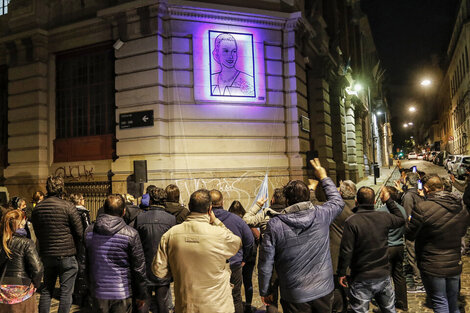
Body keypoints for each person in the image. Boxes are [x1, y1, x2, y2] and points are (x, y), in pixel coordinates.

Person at [258, 159, 345, 313]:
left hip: (294, 294)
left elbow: (266, 263)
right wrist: (323, 177)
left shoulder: (275, 225)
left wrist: (266, 290)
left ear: (286, 199)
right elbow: (337, 201)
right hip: (324, 290)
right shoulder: (321, 214)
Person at [153, 189, 242, 312]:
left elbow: (159, 271)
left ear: (189, 207)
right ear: (210, 209)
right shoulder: (219, 234)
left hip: (186, 306)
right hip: (217, 307)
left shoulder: (170, 235)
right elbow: (236, 243)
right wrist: (216, 221)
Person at [406, 175, 469, 313]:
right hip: (454, 261)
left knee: (439, 300)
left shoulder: (422, 208)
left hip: (432, 263)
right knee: (453, 301)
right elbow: (462, 231)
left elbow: (410, 234)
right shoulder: (460, 206)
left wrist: (410, 221)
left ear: (426, 189)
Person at [337, 187, 405, 313]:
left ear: (357, 201)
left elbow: (346, 250)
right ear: (374, 202)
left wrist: (341, 272)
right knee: (389, 310)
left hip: (361, 276)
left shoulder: (352, 222)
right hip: (383, 274)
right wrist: (389, 201)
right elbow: (401, 219)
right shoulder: (383, 217)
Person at [85, 194, 147, 313]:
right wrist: (141, 294)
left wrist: (88, 288)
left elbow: (85, 263)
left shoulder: (89, 232)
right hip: (122, 293)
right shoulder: (131, 234)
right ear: (124, 212)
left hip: (98, 292)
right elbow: (139, 269)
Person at [32, 176, 83, 313]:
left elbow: (37, 231)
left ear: (47, 188)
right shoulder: (68, 206)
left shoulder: (38, 208)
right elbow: (79, 232)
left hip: (48, 255)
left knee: (47, 290)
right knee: (66, 293)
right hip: (67, 255)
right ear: (62, 187)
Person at [210, 190, 254, 313]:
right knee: (236, 298)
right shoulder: (237, 220)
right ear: (222, 202)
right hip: (235, 265)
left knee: (215, 299)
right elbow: (249, 241)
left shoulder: (204, 220)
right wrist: (244, 259)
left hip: (212, 267)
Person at [243, 189, 286, 313]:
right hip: (286, 260)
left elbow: (246, 220)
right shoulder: (290, 214)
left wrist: (258, 205)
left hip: (269, 262)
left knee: (270, 298)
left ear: (272, 200)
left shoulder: (266, 214)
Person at [134, 187, 176, 313]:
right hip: (162, 268)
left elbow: (136, 243)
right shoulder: (171, 219)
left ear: (150, 200)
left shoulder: (140, 218)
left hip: (144, 268)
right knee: (162, 304)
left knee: (144, 304)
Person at [0, 209, 43, 313]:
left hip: (2, 289)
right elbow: (37, 269)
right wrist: (36, 284)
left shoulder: (2, 242)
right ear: (20, 223)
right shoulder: (26, 243)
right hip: (23, 289)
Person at [376, 186, 408, 311]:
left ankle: (385, 305)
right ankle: (402, 302)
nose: (380, 195)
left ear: (387, 195)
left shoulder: (380, 211)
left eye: (382, 193)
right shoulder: (402, 210)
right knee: (399, 275)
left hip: (386, 247)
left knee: (385, 279)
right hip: (399, 246)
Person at [228, 200, 259, 313]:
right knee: (248, 281)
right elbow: (257, 236)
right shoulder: (246, 221)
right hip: (249, 254)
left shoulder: (230, 221)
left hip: (237, 257)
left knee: (233, 284)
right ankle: (248, 305)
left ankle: (235, 305)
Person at [330, 180, 356, 313]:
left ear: (340, 193)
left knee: (338, 288)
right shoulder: (358, 207)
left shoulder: (337, 209)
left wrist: (312, 190)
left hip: (338, 254)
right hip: (355, 255)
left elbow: (316, 205)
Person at [401, 172, 425, 292]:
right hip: (422, 230)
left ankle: (419, 283)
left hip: (413, 232)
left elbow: (407, 216)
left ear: (407, 181)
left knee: (413, 257)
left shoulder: (408, 196)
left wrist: (407, 232)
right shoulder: (420, 193)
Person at [68, 193, 91, 307]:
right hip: (82, 243)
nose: (84, 200)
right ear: (79, 201)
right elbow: (87, 229)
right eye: (82, 198)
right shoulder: (83, 213)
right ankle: (81, 294)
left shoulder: (70, 212)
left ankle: (75, 292)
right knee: (82, 267)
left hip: (71, 243)